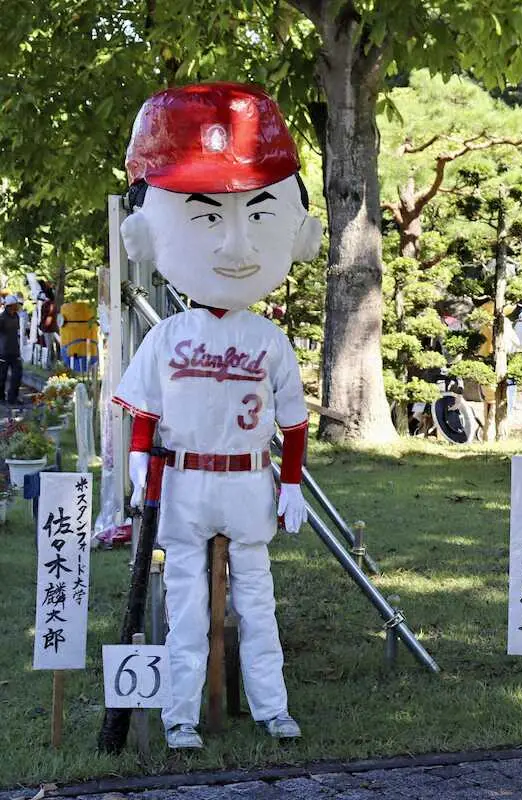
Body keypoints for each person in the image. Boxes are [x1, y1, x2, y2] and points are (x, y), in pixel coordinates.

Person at [113, 82, 323, 749]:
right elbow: (143, 412)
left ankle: (271, 705)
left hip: (244, 479)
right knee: (184, 603)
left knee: (255, 600)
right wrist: (141, 459)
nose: (235, 249)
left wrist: (291, 482)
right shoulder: (167, 338)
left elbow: (292, 421)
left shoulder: (268, 339)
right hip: (182, 483)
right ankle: (179, 715)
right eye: (205, 215)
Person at [0, 295, 23, 404]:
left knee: (17, 375)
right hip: (3, 351)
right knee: (2, 376)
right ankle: (1, 397)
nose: (16, 308)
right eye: (14, 306)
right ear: (8, 306)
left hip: (15, 350)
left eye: (16, 306)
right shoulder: (2, 318)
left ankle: (13, 398)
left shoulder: (16, 317)